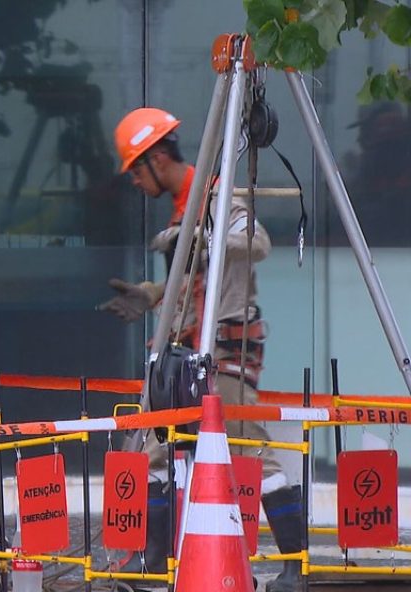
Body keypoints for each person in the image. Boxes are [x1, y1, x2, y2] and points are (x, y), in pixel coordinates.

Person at [99, 107, 302, 592]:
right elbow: (195, 282)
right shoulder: (184, 203)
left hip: (225, 349)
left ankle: (295, 567)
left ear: (157, 158)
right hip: (190, 349)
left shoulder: (214, 195)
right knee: (155, 446)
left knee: (251, 449)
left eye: (134, 170)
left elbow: (255, 241)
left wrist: (199, 236)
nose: (133, 181)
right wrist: (152, 294)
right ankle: (150, 563)